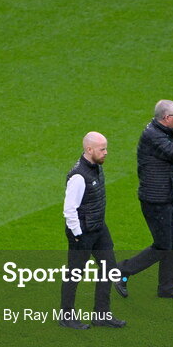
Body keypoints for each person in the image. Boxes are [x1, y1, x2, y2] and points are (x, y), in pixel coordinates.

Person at [115, 100, 173, 299]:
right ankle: (121, 272)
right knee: (162, 246)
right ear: (167, 119)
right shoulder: (154, 136)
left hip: (167, 198)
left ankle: (167, 288)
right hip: (156, 202)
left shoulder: (161, 131)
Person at [59, 132, 127, 329]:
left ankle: (102, 315)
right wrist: (78, 235)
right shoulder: (79, 176)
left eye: (106, 148)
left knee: (108, 269)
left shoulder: (96, 167)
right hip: (82, 232)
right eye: (102, 149)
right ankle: (66, 316)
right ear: (89, 150)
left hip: (98, 228)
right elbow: (69, 209)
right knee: (74, 274)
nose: (106, 153)